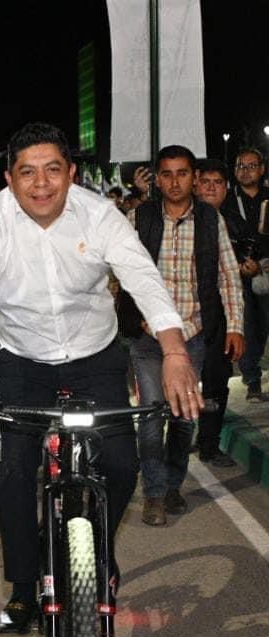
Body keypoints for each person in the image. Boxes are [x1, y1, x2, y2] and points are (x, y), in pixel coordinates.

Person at [0, 123, 200, 635]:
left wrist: (174, 351)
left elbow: (143, 278)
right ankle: (22, 589)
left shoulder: (99, 215)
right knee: (14, 473)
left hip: (95, 356)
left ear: (72, 173)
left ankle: (100, 551)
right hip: (23, 360)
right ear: (9, 178)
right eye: (27, 172)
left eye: (53, 170)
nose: (41, 184)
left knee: (123, 464)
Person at [120, 146, 244, 525]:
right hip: (147, 336)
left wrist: (236, 326)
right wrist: (136, 314)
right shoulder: (138, 218)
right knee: (154, 413)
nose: (175, 181)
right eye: (167, 174)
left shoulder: (210, 219)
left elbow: (228, 274)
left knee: (183, 416)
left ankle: (173, 484)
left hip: (193, 334)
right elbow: (118, 270)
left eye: (182, 173)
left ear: (193, 177)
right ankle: (154, 493)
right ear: (157, 179)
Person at [194, 159, 246, 467]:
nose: (211, 187)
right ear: (197, 184)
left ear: (226, 189)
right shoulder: (184, 219)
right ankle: (181, 437)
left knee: (216, 381)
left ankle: (209, 444)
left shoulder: (234, 223)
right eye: (206, 181)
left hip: (221, 317)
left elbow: (235, 276)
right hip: (186, 316)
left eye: (218, 182)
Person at [224, 148, 269, 401]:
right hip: (237, 270)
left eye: (252, 166)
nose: (246, 170)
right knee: (247, 325)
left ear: (262, 168)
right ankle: (252, 380)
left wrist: (261, 265)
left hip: (266, 268)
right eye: (241, 166)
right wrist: (240, 263)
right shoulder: (228, 199)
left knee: (264, 323)